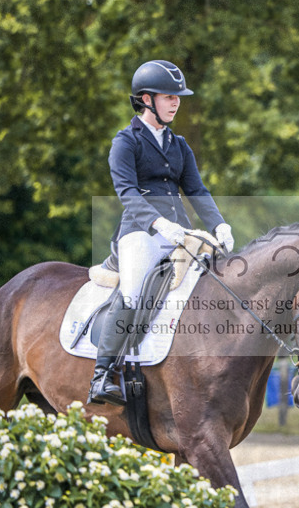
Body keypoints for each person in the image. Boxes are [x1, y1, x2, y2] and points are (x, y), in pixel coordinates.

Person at [88, 59, 234, 405]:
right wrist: (158, 223)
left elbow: (196, 190)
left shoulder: (179, 144)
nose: (176, 102)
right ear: (146, 99)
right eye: (169, 96)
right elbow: (127, 192)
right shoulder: (126, 142)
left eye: (178, 96)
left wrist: (219, 224)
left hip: (180, 233)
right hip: (140, 233)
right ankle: (103, 374)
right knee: (134, 293)